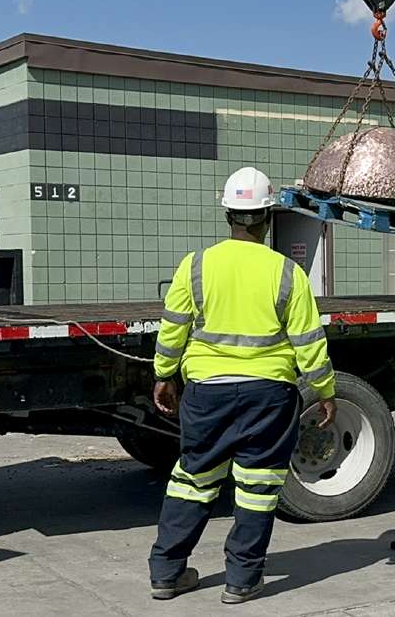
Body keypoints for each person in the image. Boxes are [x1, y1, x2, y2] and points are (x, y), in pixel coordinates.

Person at [148, 166, 337, 604]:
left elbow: (173, 329)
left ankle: (167, 572)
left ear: (228, 216)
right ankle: (242, 580)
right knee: (256, 487)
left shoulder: (195, 266)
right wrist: (324, 389)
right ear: (268, 216)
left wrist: (163, 374)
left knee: (193, 480)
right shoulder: (288, 273)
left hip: (207, 392)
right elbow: (309, 342)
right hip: (268, 395)